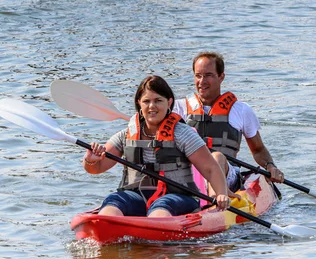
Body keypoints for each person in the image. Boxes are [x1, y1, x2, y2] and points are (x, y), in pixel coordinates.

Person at [82, 75, 229, 218]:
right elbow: (97, 168)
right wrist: (90, 159)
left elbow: (210, 169)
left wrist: (221, 193)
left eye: (158, 100)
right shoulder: (126, 134)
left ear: (169, 102)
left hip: (176, 197)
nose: (152, 106)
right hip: (137, 196)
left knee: (161, 207)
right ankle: (107, 228)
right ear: (139, 103)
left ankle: (152, 235)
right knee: (113, 201)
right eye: (146, 101)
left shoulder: (182, 133)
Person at [173, 51, 285, 193]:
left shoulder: (241, 110)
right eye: (198, 76)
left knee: (217, 157)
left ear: (221, 77)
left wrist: (270, 166)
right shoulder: (177, 109)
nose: (202, 82)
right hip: (190, 174)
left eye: (208, 75)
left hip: (227, 174)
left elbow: (258, 150)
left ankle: (216, 204)